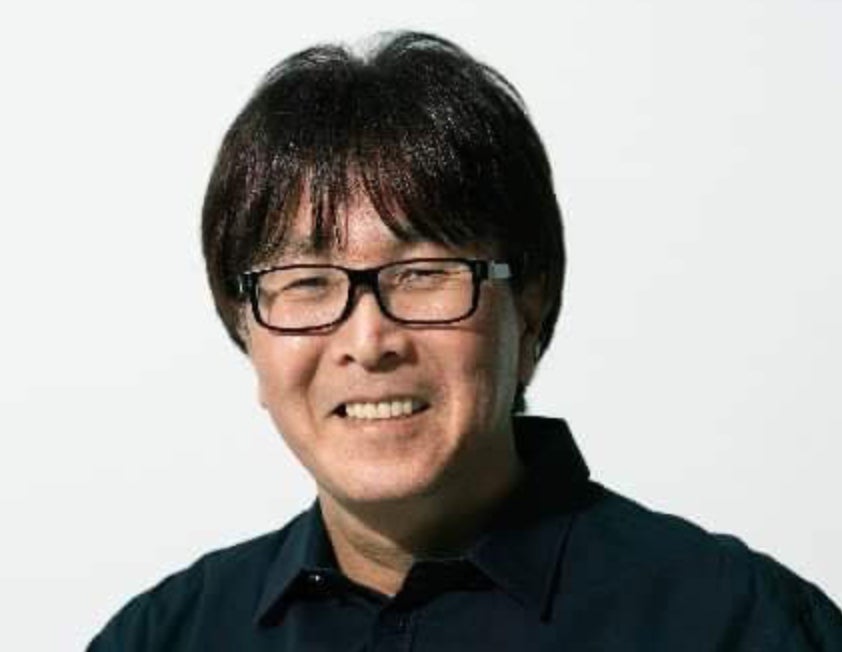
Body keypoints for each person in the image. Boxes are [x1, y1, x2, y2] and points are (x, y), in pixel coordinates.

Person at [88, 31, 842, 650]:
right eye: (308, 282)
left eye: (423, 272)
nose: (368, 341)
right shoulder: (164, 637)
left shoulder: (734, 624)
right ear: (247, 332)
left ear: (530, 306)